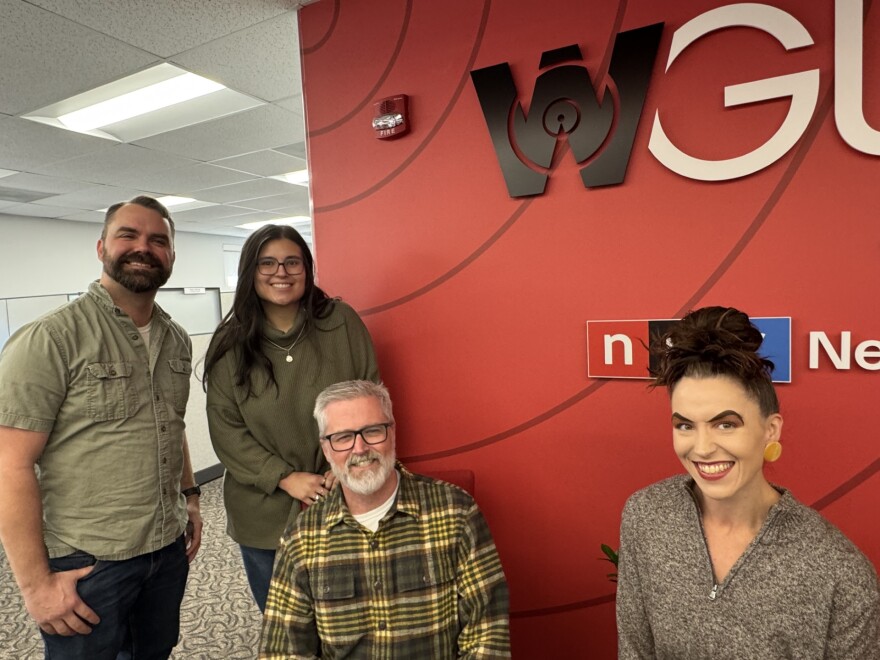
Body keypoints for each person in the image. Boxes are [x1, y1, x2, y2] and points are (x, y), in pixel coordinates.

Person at [0, 196, 202, 659]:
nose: (143, 247)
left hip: (165, 548)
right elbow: (10, 466)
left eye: (158, 240)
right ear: (101, 247)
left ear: (171, 255)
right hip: (88, 561)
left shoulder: (175, 338)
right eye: (128, 235)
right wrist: (35, 586)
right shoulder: (51, 338)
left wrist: (190, 497)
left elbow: (170, 425)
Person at [616, 306, 880, 659]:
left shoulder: (841, 572)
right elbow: (635, 651)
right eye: (685, 425)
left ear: (771, 429)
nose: (702, 448)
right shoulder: (646, 516)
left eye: (726, 424)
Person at [258, 380, 511, 659]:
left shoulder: (456, 512)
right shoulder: (301, 538)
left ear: (392, 433)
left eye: (372, 431)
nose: (359, 448)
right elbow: (282, 651)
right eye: (343, 437)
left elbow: (488, 633)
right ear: (326, 449)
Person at [204, 225, 379, 612]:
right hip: (264, 512)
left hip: (343, 494)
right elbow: (226, 429)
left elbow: (371, 400)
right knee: (285, 625)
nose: (280, 272)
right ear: (250, 272)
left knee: (353, 619)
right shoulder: (231, 342)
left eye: (291, 262)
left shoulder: (341, 322)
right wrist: (284, 477)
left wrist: (346, 464)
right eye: (267, 263)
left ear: (307, 268)